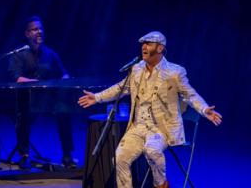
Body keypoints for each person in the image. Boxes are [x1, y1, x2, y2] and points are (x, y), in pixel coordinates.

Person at [78, 31, 222, 188]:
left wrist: (205, 109)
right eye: (142, 44)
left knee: (152, 150)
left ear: (160, 48)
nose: (144, 47)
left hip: (161, 129)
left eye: (148, 44)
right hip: (138, 127)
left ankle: (160, 184)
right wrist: (97, 97)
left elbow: (190, 95)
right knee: (119, 158)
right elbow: (121, 88)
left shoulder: (175, 72)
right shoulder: (136, 69)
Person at [8, 16, 76, 170]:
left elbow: (63, 74)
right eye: (34, 29)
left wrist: (67, 79)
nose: (39, 31)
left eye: (40, 28)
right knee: (23, 116)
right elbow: (16, 78)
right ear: (27, 34)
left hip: (48, 99)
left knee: (64, 110)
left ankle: (67, 156)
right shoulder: (19, 54)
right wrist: (36, 83)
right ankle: (24, 155)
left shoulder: (50, 54)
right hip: (27, 99)